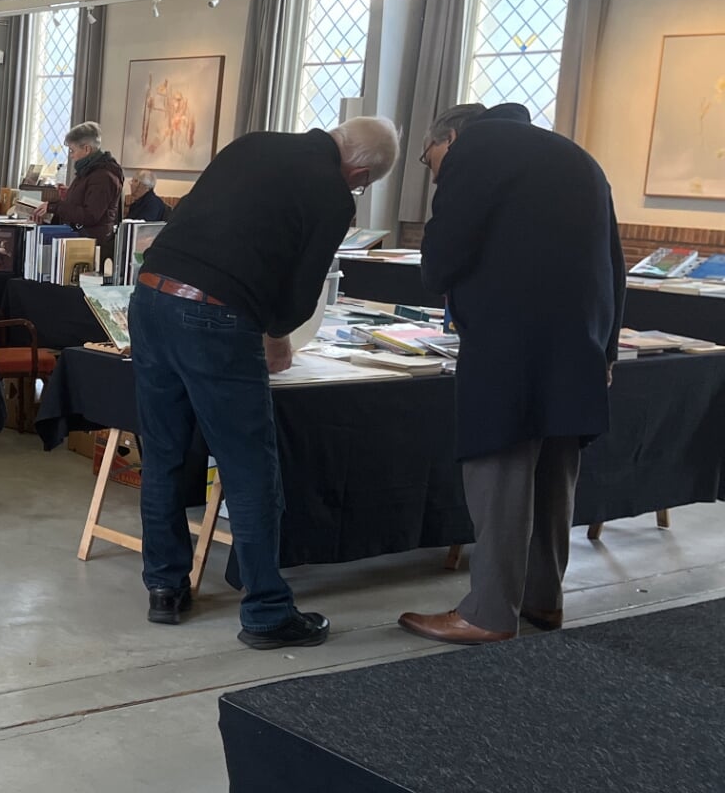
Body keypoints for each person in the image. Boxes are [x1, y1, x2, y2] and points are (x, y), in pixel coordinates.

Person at [129, 116, 399, 649]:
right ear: (360, 169)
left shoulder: (253, 142)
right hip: (216, 317)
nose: (357, 190)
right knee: (250, 468)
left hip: (150, 295)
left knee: (162, 452)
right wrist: (277, 336)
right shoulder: (333, 194)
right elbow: (301, 291)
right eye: (362, 184)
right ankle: (267, 611)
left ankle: (164, 587)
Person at [398, 103, 624, 645]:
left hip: (510, 344)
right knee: (553, 477)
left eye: (431, 162)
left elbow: (438, 265)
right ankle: (544, 603)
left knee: (498, 473)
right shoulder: (578, 156)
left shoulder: (474, 151)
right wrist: (607, 349)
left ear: (449, 137)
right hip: (581, 342)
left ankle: (489, 613)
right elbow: (614, 263)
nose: (435, 173)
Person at [32, 122, 123, 242]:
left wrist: (54, 207)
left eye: (72, 150)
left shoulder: (103, 176)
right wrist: (70, 194)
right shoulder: (89, 169)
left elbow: (90, 216)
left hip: (90, 241)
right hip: (80, 236)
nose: (70, 155)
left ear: (86, 149)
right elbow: (86, 200)